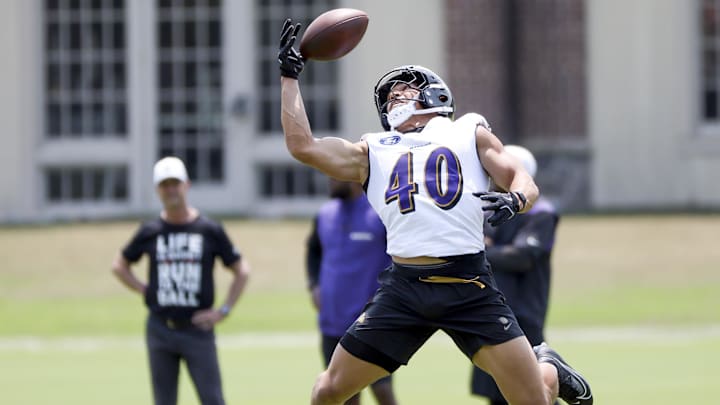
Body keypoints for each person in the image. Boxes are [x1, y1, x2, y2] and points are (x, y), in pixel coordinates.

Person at [279, 19, 593, 405]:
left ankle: (547, 367)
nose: (394, 95)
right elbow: (303, 147)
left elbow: (519, 176)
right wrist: (289, 77)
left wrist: (516, 200)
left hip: (467, 284)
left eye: (404, 88)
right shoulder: (373, 149)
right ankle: (541, 366)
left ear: (436, 95)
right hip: (404, 288)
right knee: (326, 391)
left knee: (531, 401)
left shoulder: (467, 130)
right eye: (389, 95)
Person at [111, 156, 250, 405]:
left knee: (213, 399)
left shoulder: (209, 229)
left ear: (187, 184)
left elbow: (241, 271)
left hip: (198, 331)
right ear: (157, 190)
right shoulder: (150, 231)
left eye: (175, 183)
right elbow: (119, 266)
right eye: (165, 185)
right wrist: (144, 289)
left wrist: (223, 310)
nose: (171, 190)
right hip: (160, 329)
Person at [470, 145, 560, 405]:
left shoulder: (541, 213)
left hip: (524, 313)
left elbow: (523, 256)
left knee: (535, 390)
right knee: (498, 392)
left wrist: (481, 251)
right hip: (489, 312)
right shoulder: (489, 209)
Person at [306, 178, 398, 405]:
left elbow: (400, 258)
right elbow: (313, 251)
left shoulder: (380, 213)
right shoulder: (324, 215)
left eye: (334, 175)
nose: (329, 180)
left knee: (382, 390)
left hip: (371, 321)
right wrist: (313, 284)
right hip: (332, 320)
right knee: (341, 392)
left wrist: (385, 296)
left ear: (354, 178)